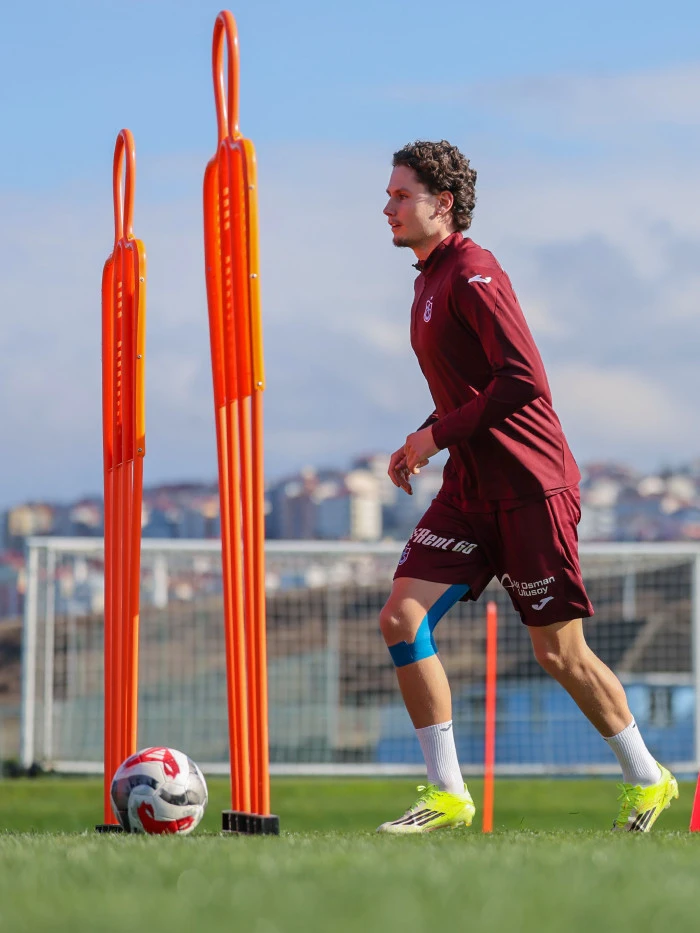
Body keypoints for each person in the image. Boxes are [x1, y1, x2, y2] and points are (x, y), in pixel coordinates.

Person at [376, 139, 678, 834]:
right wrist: (423, 435)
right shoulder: (427, 281)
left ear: (442, 204)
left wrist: (434, 436)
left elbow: (524, 381)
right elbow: (468, 389)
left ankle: (648, 777)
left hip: (530, 488)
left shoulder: (473, 271)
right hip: (468, 490)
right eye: (388, 195)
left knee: (558, 653)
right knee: (400, 618)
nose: (387, 208)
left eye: (400, 196)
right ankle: (448, 795)